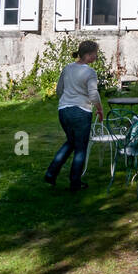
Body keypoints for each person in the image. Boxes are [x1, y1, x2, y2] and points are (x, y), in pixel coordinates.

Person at [44, 41, 105, 191]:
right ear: (88, 55)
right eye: (95, 54)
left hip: (63, 111)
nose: (96, 57)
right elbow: (93, 93)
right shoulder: (90, 72)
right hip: (81, 112)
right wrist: (100, 109)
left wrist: (67, 102)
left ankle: (51, 174)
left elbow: (59, 90)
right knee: (80, 148)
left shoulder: (67, 68)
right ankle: (75, 182)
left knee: (71, 142)